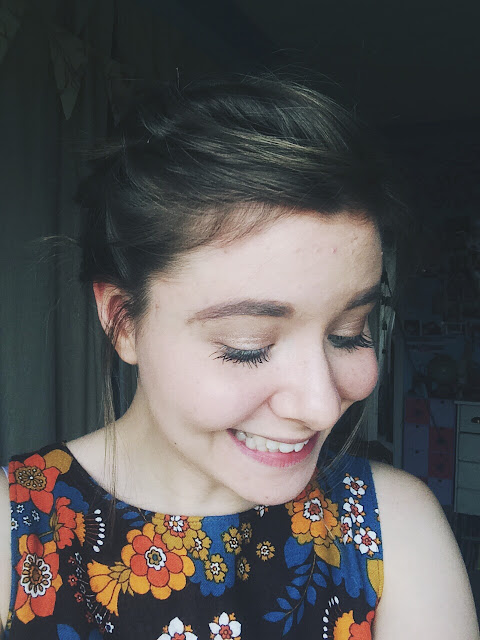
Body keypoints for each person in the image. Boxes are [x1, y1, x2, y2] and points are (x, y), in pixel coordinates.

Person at [0, 73, 478, 640]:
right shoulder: (15, 533)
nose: (322, 406)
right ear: (123, 321)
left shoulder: (394, 527)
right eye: (248, 347)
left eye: (350, 332)